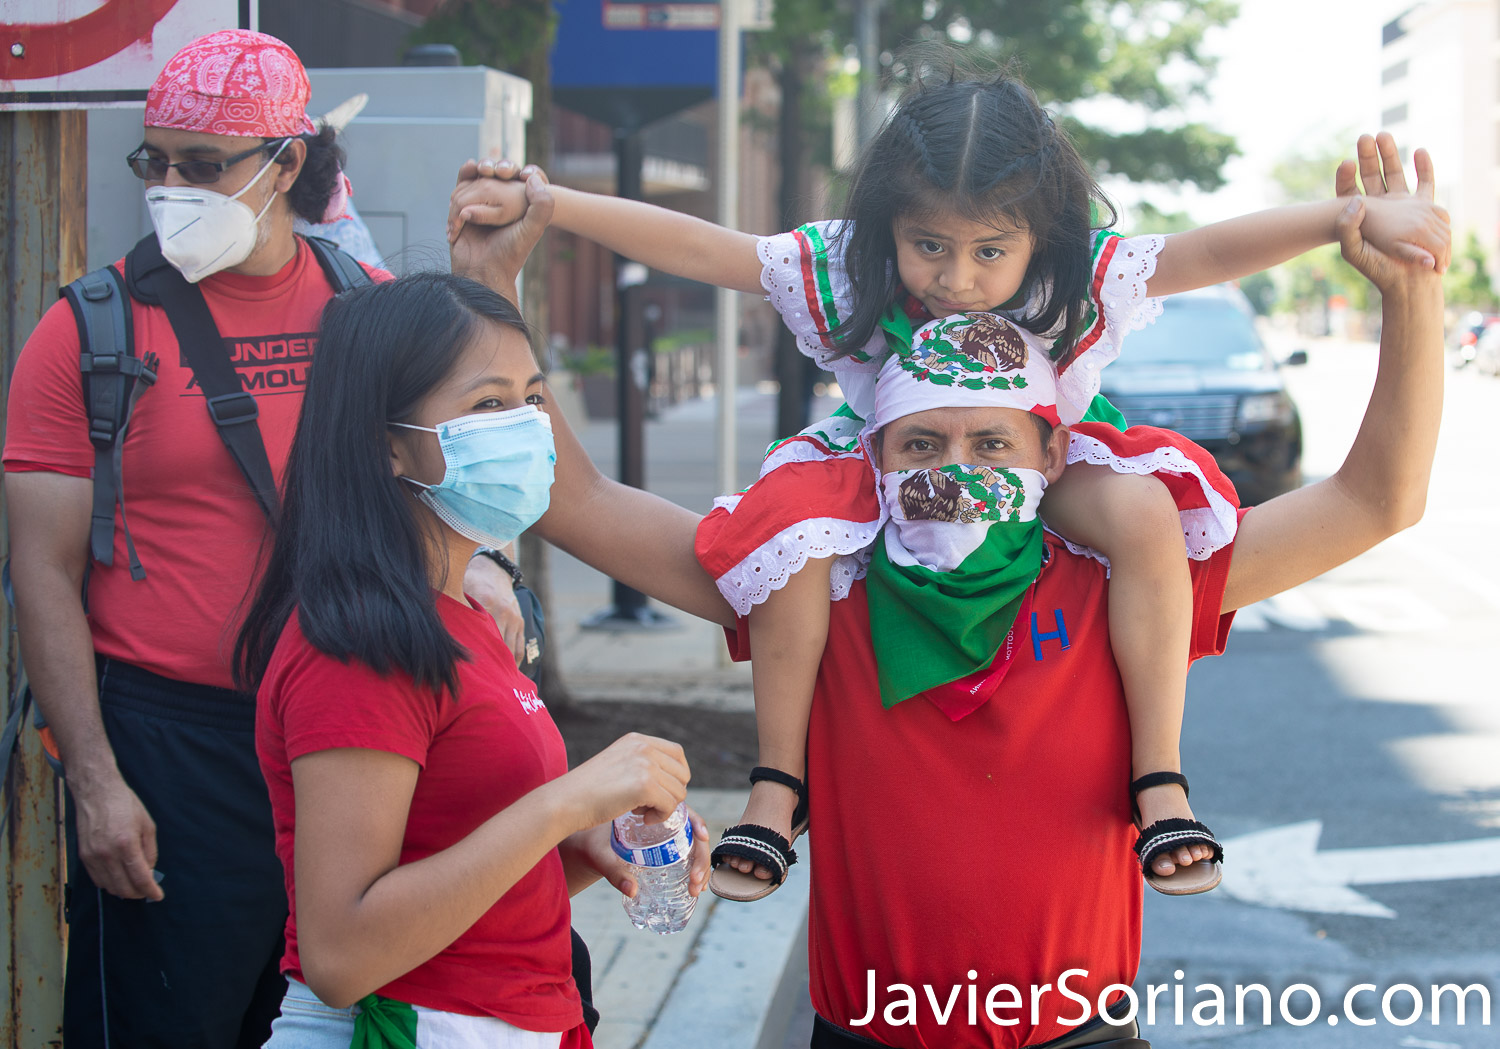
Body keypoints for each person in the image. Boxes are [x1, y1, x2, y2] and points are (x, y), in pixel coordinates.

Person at [452, 129, 1447, 1048]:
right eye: (922, 442)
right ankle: (777, 789)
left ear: (1055, 449)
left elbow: (1378, 498)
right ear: (873, 451)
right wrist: (497, 288)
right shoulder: (815, 573)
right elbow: (576, 500)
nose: (956, 468)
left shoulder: (1120, 576)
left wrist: (1411, 296)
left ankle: (1163, 782)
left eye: (992, 441)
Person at [2, 28, 504, 1048]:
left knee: (345, 1014)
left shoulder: (366, 312)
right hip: (170, 748)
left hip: (352, 728)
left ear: (286, 163)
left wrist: (485, 573)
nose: (169, 186)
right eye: (156, 160)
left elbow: (446, 487)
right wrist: (95, 783)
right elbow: (41, 572)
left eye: (202, 164)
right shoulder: (88, 332)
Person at [232, 271, 710, 1046]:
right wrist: (564, 802)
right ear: (388, 442)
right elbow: (344, 953)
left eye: (530, 398)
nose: (526, 425)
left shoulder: (463, 618)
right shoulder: (357, 646)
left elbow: (470, 893)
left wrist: (593, 838)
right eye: (488, 404)